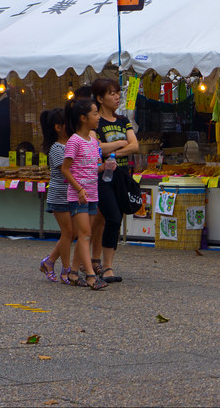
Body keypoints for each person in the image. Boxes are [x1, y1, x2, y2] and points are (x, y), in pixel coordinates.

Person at [61, 98, 113, 290]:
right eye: (95, 114)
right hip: (79, 195)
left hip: (92, 194)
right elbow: (65, 169)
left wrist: (106, 166)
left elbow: (94, 168)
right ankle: (90, 275)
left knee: (85, 235)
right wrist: (79, 189)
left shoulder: (93, 142)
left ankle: (74, 272)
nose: (98, 117)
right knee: (85, 235)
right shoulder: (74, 141)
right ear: (83, 118)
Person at [91, 78, 138, 283]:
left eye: (117, 92)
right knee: (112, 217)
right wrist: (120, 143)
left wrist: (114, 154)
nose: (117, 97)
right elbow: (95, 147)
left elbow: (135, 145)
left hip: (121, 176)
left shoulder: (123, 120)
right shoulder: (95, 122)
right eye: (111, 93)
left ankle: (98, 262)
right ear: (100, 98)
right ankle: (104, 265)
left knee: (107, 219)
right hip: (102, 176)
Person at [38, 108, 79, 285]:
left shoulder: (70, 144)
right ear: (58, 127)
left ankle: (49, 261)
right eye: (68, 124)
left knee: (72, 232)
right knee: (68, 233)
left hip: (71, 194)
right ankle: (65, 270)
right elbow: (67, 171)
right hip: (59, 195)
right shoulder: (56, 148)